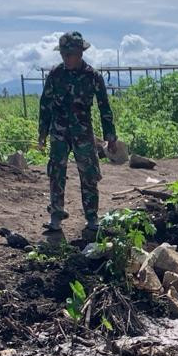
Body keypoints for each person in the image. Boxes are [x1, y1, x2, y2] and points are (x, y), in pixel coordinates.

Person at [37, 31, 120, 238]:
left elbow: (104, 108)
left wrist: (110, 137)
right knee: (56, 172)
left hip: (83, 132)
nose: (66, 58)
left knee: (89, 174)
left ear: (80, 53)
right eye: (64, 54)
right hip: (59, 131)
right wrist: (43, 132)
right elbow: (45, 104)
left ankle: (91, 217)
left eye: (70, 54)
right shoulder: (56, 74)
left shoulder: (93, 77)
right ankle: (56, 216)